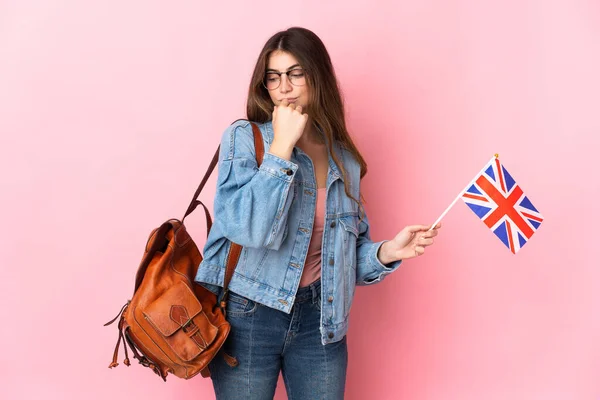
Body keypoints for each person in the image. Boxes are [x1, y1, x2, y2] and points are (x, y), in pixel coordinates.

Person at [194, 26, 441, 400]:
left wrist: (389, 251)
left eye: (296, 73)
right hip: (248, 316)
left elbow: (340, 258)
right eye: (273, 77)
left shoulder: (344, 158)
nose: (284, 87)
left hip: (320, 321)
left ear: (317, 76)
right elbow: (246, 229)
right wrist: (281, 148)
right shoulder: (246, 139)